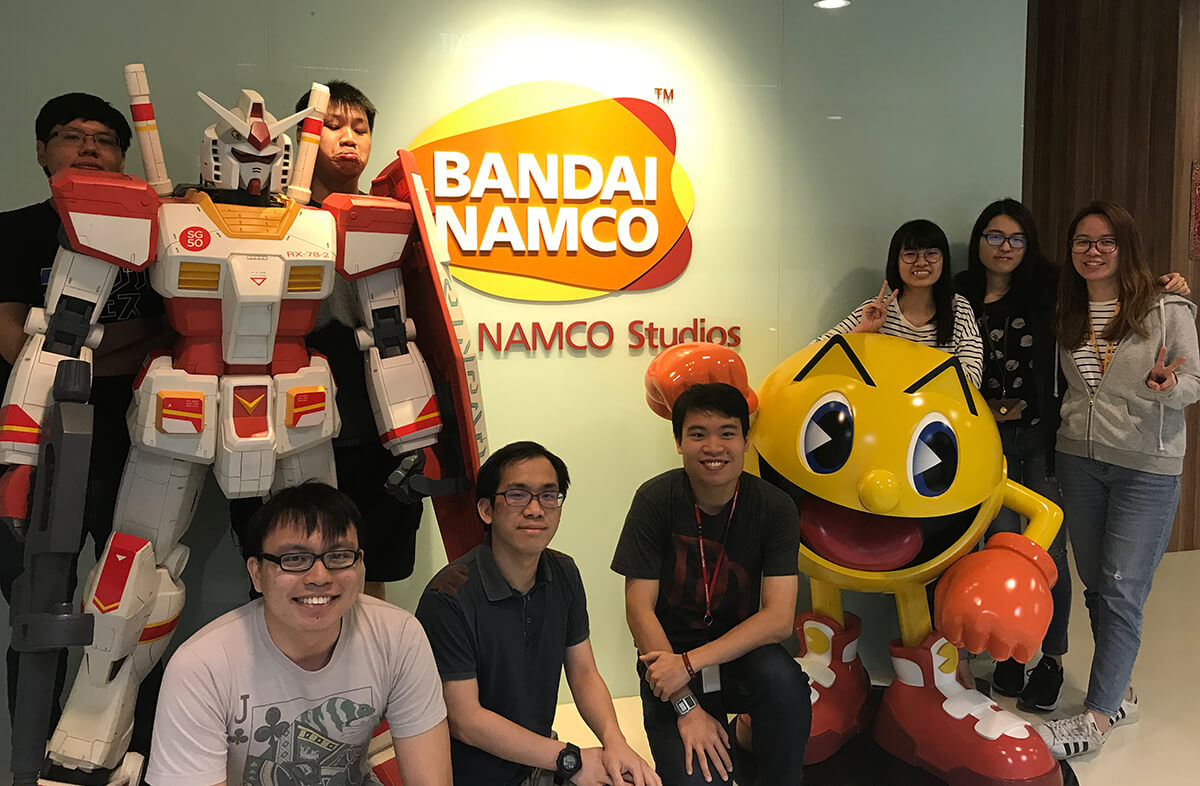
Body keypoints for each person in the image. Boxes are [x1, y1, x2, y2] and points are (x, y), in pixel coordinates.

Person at [955, 199, 1191, 712]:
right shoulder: (962, 295)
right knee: (993, 548)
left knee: (1049, 556)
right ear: (978, 241)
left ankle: (1053, 660)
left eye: (1016, 238)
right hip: (984, 444)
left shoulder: (1050, 292)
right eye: (993, 236)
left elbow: (1187, 372)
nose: (1004, 247)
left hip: (1043, 443)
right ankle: (1007, 652)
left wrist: (1170, 297)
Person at [0, 91, 165, 746]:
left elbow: (160, 328)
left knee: (136, 602)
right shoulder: (15, 230)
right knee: (40, 607)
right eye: (71, 135)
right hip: (36, 440)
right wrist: (100, 348)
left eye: (104, 138)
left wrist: (72, 348)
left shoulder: (152, 237)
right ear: (42, 152)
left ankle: (123, 751)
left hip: (129, 439)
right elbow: (11, 336)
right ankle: (32, 756)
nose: (90, 147)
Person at [229, 80, 423, 600]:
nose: (348, 138)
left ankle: (368, 672)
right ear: (304, 137)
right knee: (286, 553)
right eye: (332, 125)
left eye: (359, 128)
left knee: (369, 557)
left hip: (375, 412)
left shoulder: (396, 217)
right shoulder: (260, 217)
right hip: (281, 405)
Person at [146, 481, 452, 785]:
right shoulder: (201, 667)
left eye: (338, 556)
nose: (319, 577)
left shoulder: (398, 635)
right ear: (257, 574)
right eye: (294, 559)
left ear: (360, 566)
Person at [1035, 200, 1200, 760]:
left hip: (1144, 467)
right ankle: (1119, 690)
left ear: (1124, 246)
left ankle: (1097, 716)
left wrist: (1167, 388)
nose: (1093, 251)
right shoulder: (1069, 308)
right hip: (1079, 461)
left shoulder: (1166, 306)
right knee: (1097, 586)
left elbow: (1193, 379)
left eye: (1105, 241)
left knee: (1124, 586)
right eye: (1082, 241)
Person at [415, 441, 658, 786]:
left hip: (539, 761)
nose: (535, 509)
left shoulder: (563, 573)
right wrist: (570, 759)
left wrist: (614, 742)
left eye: (548, 495)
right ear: (486, 510)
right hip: (473, 775)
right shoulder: (449, 597)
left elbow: (584, 672)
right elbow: (465, 719)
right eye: (517, 495)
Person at [612, 383, 809, 785]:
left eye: (727, 432)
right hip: (666, 659)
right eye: (698, 433)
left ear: (746, 440)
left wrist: (692, 663)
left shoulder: (775, 507)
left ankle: (760, 755)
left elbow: (777, 620)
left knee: (787, 685)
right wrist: (686, 707)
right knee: (700, 779)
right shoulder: (655, 500)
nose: (713, 446)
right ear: (679, 442)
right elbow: (639, 611)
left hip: (738, 653)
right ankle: (725, 732)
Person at [819, 218, 984, 387]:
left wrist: (898, 357)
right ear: (895, 261)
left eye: (932, 254)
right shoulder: (877, 310)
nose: (921, 262)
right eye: (910, 254)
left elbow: (973, 380)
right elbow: (814, 354)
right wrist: (862, 332)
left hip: (938, 411)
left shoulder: (958, 309)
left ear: (944, 260)